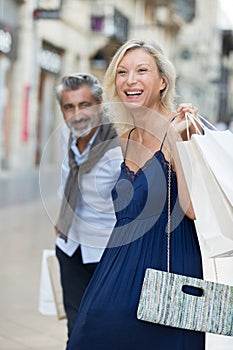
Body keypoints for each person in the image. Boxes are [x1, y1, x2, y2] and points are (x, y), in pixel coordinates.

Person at [67, 39, 205, 350]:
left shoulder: (182, 126)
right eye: (122, 72)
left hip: (168, 271)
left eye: (142, 71)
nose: (130, 80)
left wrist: (173, 140)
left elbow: (194, 208)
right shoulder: (126, 136)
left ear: (162, 81)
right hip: (117, 268)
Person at [54, 73, 123, 344]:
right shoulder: (66, 137)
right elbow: (67, 181)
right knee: (75, 327)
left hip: (105, 252)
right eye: (68, 107)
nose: (77, 114)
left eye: (84, 105)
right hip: (70, 248)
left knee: (102, 329)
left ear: (100, 104)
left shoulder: (118, 144)